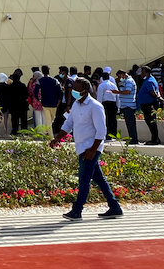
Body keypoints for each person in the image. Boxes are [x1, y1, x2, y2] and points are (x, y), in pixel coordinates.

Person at [50, 77, 123, 221]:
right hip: (81, 147)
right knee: (99, 179)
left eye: (76, 89)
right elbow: (68, 124)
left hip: (91, 148)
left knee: (84, 180)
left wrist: (93, 150)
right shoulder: (76, 105)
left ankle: (77, 210)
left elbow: (101, 131)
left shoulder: (95, 106)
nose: (73, 91)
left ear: (84, 90)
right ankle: (114, 207)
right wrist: (57, 138)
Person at [136, 66, 162, 146]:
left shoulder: (149, 81)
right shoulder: (150, 79)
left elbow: (153, 92)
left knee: (151, 121)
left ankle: (155, 139)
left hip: (149, 104)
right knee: (150, 121)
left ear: (146, 72)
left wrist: (158, 98)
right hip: (147, 103)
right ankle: (154, 138)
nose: (141, 74)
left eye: (142, 72)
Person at [114, 70, 139, 145]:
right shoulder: (125, 81)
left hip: (129, 105)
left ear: (123, 74)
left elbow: (128, 91)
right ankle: (132, 137)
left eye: (119, 76)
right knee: (129, 123)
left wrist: (117, 92)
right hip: (125, 105)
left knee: (130, 123)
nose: (119, 78)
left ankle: (134, 139)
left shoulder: (129, 81)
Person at [97, 68, 119, 139]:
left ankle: (108, 134)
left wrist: (98, 106)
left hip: (105, 104)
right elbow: (117, 96)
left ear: (102, 78)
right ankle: (114, 134)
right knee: (113, 119)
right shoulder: (113, 85)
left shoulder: (101, 86)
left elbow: (99, 97)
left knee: (106, 119)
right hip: (113, 103)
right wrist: (118, 106)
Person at [7, 69, 28, 136]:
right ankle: (24, 131)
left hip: (13, 105)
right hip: (22, 105)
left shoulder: (10, 86)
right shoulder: (23, 85)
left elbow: (8, 96)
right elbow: (26, 95)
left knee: (14, 120)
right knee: (23, 120)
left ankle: (14, 131)